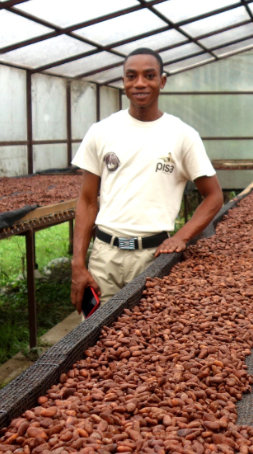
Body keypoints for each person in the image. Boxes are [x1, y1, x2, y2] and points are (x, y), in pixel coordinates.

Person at [70, 47, 223, 310]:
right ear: (124, 82)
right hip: (104, 256)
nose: (140, 83)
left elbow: (214, 195)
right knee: (96, 342)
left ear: (162, 81)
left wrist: (182, 236)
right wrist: (78, 265)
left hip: (153, 256)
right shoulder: (101, 131)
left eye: (149, 76)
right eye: (132, 76)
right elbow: (86, 200)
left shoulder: (182, 135)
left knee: (146, 337)